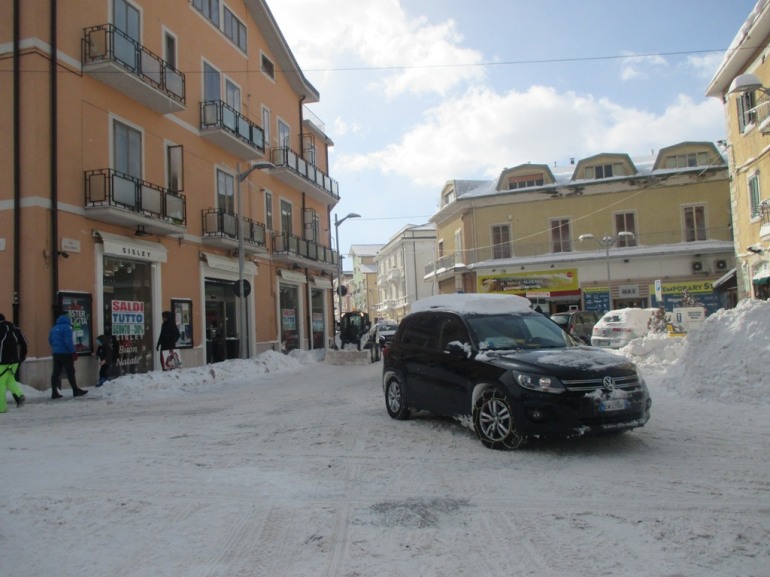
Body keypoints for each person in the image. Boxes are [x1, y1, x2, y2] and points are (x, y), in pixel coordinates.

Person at [48, 313, 87, 399]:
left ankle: (54, 392)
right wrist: (73, 352)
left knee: (56, 372)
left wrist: (56, 347)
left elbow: (50, 340)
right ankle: (75, 390)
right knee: (70, 371)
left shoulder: (54, 328)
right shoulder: (67, 328)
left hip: (56, 353)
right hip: (65, 353)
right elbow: (68, 341)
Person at [0, 313, 28, 413]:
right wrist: (22, 356)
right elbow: (24, 343)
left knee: (1, 383)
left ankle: (1, 407)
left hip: (1, 361)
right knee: (10, 380)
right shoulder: (14, 328)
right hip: (14, 361)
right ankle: (20, 395)